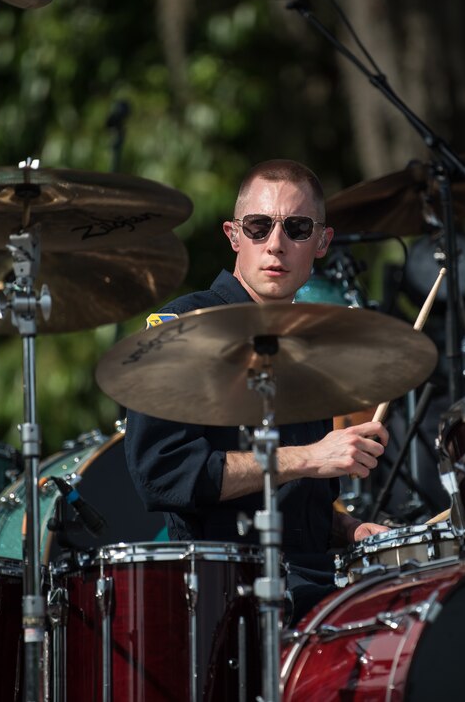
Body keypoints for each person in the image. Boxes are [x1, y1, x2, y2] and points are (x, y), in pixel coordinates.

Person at [124, 159, 390, 623]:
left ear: (322, 242)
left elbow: (296, 509)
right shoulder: (183, 329)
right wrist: (311, 456)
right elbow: (162, 473)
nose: (276, 244)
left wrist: (348, 529)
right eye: (259, 226)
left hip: (313, 586)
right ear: (233, 235)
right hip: (221, 600)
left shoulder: (309, 349)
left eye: (298, 228)